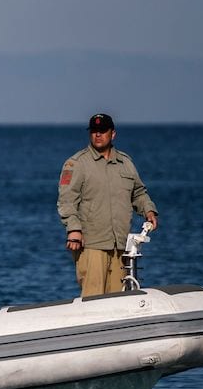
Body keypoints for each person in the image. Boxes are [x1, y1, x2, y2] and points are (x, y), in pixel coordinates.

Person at [57, 113, 159, 297]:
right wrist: (73, 230)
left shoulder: (125, 163)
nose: (98, 135)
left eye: (102, 131)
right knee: (93, 300)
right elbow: (66, 201)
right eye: (94, 131)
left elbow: (138, 193)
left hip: (120, 245)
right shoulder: (76, 164)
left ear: (113, 134)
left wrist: (149, 210)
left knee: (119, 300)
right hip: (91, 245)